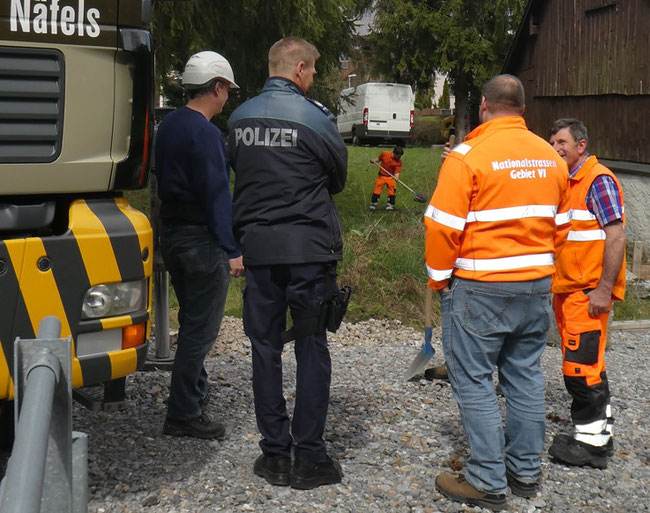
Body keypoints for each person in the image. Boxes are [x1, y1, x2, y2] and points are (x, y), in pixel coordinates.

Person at [424, 74, 571, 511]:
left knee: (473, 381)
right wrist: (537, 264)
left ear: (484, 107)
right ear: (522, 110)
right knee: (524, 376)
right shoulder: (552, 158)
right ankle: (524, 471)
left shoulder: (468, 155)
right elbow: (560, 228)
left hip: (480, 287)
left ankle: (486, 479)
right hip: (536, 285)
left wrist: (438, 278)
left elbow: (441, 227)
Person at [228, 37, 347, 490]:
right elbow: (337, 178)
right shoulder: (314, 118)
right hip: (309, 252)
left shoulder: (238, 118)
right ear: (299, 69)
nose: (313, 76)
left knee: (264, 347)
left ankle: (275, 454)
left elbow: (237, 170)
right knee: (311, 344)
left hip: (258, 252)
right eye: (313, 70)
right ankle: (310, 457)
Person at [155, 51, 244, 439]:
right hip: (202, 240)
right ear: (217, 87)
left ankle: (193, 395)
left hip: (173, 236)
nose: (228, 99)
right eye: (228, 91)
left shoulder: (168, 125)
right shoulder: (206, 132)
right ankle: (183, 414)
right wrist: (233, 249)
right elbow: (215, 194)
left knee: (191, 321)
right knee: (201, 331)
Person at [547, 118, 626, 468]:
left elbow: (617, 236)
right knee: (591, 365)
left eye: (562, 142)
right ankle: (597, 435)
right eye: (552, 142)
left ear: (581, 146)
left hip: (588, 295)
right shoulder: (568, 183)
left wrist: (603, 290)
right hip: (569, 293)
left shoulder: (598, 181)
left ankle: (591, 448)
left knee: (580, 370)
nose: (555, 147)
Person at [369, 146, 404, 211]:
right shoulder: (384, 154)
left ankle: (390, 207)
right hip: (381, 176)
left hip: (390, 178)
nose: (399, 158)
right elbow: (378, 159)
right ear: (394, 153)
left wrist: (396, 178)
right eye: (399, 156)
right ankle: (373, 206)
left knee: (392, 192)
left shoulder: (399, 162)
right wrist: (374, 160)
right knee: (377, 191)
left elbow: (397, 172)